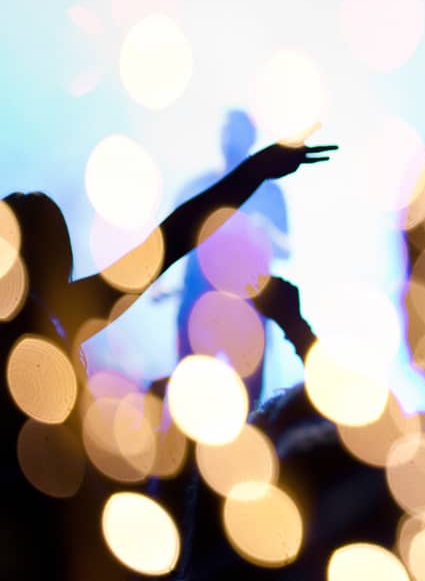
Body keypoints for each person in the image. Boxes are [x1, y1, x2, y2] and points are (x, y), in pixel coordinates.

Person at [0, 136, 333, 579]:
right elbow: (171, 239)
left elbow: (172, 238)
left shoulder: (62, 313)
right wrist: (254, 172)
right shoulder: (64, 313)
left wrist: (255, 173)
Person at [173, 110, 293, 407]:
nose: (228, 137)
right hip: (197, 299)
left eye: (235, 130)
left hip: (248, 307)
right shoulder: (198, 185)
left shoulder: (269, 191)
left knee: (247, 399)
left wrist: (263, 229)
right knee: (191, 393)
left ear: (250, 138)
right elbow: (171, 240)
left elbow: (287, 247)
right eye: (225, 129)